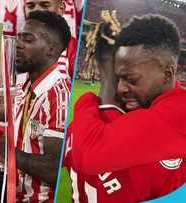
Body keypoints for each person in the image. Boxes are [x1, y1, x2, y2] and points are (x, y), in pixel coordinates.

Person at [66, 16, 186, 203]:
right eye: (118, 78)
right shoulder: (161, 106)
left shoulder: (178, 112)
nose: (121, 88)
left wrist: (87, 100)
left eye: (132, 79)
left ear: (168, 73)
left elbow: (87, 155)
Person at [0, 10, 71, 202]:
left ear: (51, 48)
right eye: (19, 38)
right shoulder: (25, 85)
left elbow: (53, 170)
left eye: (27, 39)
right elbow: (12, 115)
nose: (17, 45)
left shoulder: (58, 96)